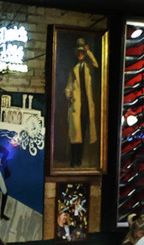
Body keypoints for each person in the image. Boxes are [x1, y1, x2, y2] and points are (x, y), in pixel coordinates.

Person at [65, 37, 99, 168]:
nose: (80, 54)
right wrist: (69, 96)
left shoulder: (89, 68)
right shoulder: (73, 70)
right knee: (75, 136)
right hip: (77, 106)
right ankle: (73, 159)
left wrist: (89, 52)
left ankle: (78, 159)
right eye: (78, 53)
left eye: (82, 52)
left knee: (83, 135)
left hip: (86, 106)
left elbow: (96, 64)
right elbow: (68, 87)